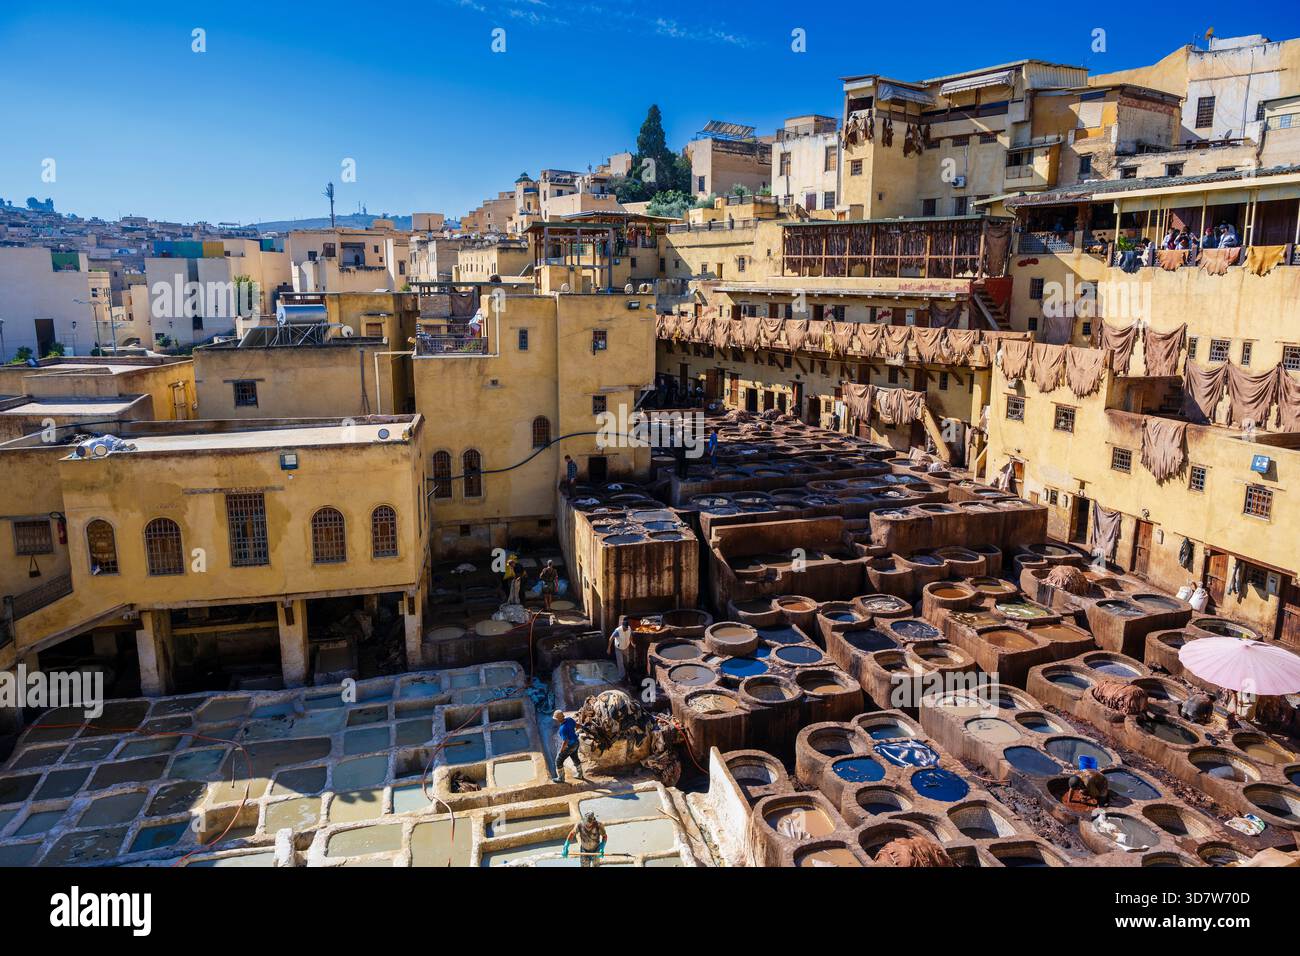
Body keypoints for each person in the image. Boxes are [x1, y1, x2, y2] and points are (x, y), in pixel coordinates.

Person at [552, 709, 583, 782]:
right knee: (575, 757)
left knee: (558, 760)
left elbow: (565, 741)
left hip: (570, 745)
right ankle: (580, 774)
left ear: (557, 720)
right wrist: (581, 728)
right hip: (576, 742)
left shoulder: (562, 729)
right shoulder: (569, 719)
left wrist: (562, 749)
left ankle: (561, 778)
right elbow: (577, 725)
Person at [608, 615, 632, 679]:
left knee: (626, 661)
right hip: (618, 648)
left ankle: (627, 673)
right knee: (620, 662)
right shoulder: (617, 631)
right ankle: (622, 676)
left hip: (626, 647)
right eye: (624, 629)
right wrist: (609, 648)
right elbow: (611, 639)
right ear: (622, 626)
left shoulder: (629, 628)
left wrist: (632, 642)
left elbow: (630, 635)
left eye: (626, 629)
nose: (625, 630)